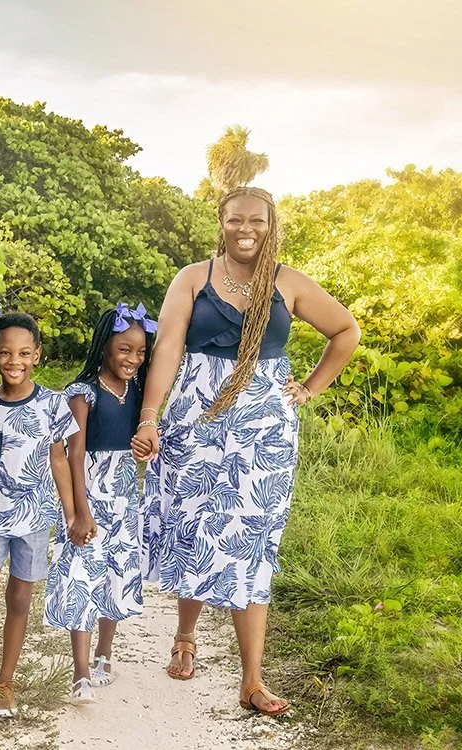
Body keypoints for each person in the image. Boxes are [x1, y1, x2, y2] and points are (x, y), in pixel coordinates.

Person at [132, 186, 360, 716]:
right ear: (222, 222)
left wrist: (310, 388)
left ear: (270, 224)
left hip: (264, 430)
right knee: (193, 529)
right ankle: (185, 637)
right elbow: (167, 348)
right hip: (195, 419)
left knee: (253, 541)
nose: (246, 230)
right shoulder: (193, 278)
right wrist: (149, 417)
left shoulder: (289, 282)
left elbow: (346, 331)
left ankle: (252, 679)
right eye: (236, 220)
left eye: (256, 221)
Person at [0, 312, 79, 718]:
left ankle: (6, 679)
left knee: (20, 598)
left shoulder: (53, 404)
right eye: (5, 353)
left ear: (37, 355)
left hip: (35, 519)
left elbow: (59, 460)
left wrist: (72, 514)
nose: (14, 361)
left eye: (24, 353)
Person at [43, 303, 156, 703]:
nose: (133, 359)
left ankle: (104, 655)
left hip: (124, 495)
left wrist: (143, 448)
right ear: (105, 347)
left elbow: (140, 438)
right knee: (83, 577)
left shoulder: (138, 391)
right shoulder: (83, 393)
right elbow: (73, 455)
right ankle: (81, 674)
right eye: (124, 350)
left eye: (140, 352)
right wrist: (80, 511)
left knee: (116, 574)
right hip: (89, 492)